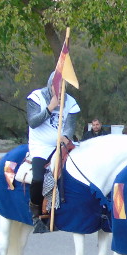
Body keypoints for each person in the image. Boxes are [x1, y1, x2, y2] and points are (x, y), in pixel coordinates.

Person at [26, 71, 80, 233]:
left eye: (63, 87)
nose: (60, 90)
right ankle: (36, 211)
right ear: (50, 85)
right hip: (40, 145)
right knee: (37, 178)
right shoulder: (36, 97)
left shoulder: (71, 103)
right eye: (57, 87)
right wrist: (50, 107)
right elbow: (33, 122)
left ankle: (64, 210)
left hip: (60, 145)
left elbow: (70, 126)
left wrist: (66, 136)